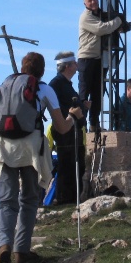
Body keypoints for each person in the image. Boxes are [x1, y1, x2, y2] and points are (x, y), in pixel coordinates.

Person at [0, 52, 84, 263]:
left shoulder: (6, 85)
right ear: (42, 70)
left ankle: (3, 245)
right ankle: (21, 251)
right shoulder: (44, 89)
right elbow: (61, 127)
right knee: (29, 198)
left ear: (22, 68)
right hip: (30, 147)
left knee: (6, 200)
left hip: (1, 146)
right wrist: (73, 116)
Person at [77, 0, 130, 131]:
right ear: (85, 3)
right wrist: (118, 20)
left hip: (98, 59)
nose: (94, 2)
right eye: (90, 0)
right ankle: (79, 126)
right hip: (86, 59)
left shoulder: (100, 15)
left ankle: (94, 125)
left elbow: (108, 27)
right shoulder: (85, 17)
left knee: (97, 93)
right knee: (84, 93)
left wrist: (119, 24)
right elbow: (103, 29)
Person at [48, 51, 88, 205]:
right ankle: (65, 199)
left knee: (76, 165)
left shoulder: (66, 84)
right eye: (74, 63)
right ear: (67, 66)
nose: (77, 66)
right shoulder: (56, 84)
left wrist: (83, 108)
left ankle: (72, 198)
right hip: (65, 131)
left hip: (75, 131)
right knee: (67, 166)